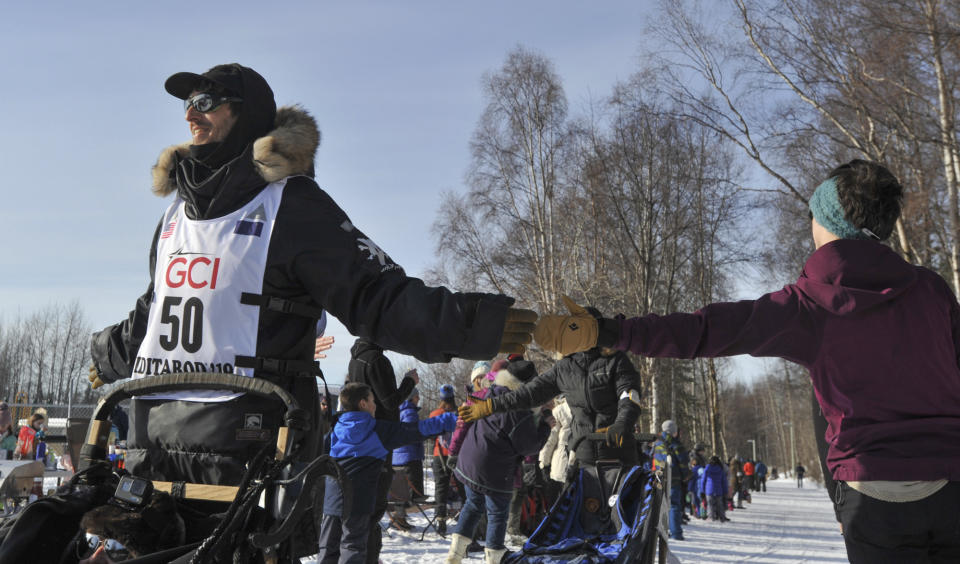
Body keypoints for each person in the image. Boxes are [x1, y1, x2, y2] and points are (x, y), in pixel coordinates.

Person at [84, 63, 536, 563]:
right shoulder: (175, 216)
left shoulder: (291, 205)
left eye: (207, 102)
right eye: (187, 104)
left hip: (248, 461)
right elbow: (157, 312)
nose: (192, 114)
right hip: (157, 452)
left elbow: (378, 295)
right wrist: (105, 355)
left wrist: (482, 324)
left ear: (248, 113)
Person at [534, 159, 960, 562]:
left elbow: (706, 330)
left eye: (813, 215)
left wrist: (608, 331)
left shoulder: (810, 304)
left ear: (828, 224)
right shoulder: (932, 290)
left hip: (874, 493)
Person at [319, 382, 457, 564]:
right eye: (372, 400)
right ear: (363, 404)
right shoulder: (376, 430)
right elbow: (416, 430)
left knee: (328, 548)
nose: (375, 405)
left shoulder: (335, 429)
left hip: (332, 501)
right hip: (358, 503)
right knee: (352, 548)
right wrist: (454, 419)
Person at [446, 361, 550, 564]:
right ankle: (493, 558)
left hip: (470, 460)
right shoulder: (518, 408)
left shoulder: (490, 392)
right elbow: (528, 446)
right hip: (495, 468)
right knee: (497, 513)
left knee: (472, 505)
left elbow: (465, 420)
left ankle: (454, 555)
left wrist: (454, 451)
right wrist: (545, 426)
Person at [390, 387, 426, 528]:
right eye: (417, 396)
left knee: (400, 492)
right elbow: (412, 434)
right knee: (413, 494)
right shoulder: (410, 413)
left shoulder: (397, 412)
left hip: (396, 458)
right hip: (410, 457)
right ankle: (398, 518)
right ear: (412, 397)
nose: (418, 399)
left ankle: (399, 518)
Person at [429, 384, 460, 535]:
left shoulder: (435, 414)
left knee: (440, 488)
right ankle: (465, 519)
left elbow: (430, 435)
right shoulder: (459, 412)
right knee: (462, 487)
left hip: (439, 454)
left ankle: (441, 520)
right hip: (458, 455)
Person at [652, 420, 688, 540]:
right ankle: (676, 533)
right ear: (674, 431)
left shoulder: (657, 443)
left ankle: (659, 531)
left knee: (660, 505)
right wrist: (686, 476)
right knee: (674, 506)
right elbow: (683, 463)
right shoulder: (676, 445)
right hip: (674, 479)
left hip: (659, 477)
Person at [698, 455, 729, 522]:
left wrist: (702, 490)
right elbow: (724, 481)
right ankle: (722, 517)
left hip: (709, 490)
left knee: (710, 504)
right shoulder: (720, 469)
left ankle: (711, 517)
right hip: (719, 490)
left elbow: (703, 480)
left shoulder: (707, 468)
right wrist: (725, 491)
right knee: (720, 504)